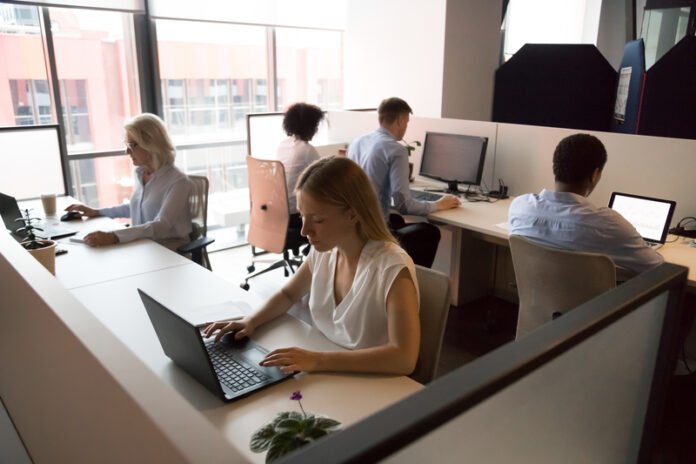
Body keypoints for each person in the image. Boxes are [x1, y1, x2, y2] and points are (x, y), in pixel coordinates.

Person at [204, 156, 421, 376]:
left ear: (353, 214)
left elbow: (403, 358)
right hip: (329, 369)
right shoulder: (324, 252)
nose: (304, 231)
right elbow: (289, 294)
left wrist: (318, 360)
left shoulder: (392, 269)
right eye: (303, 217)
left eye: (317, 219)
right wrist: (250, 320)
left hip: (371, 382)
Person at [508, 133, 663, 278]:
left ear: (555, 167)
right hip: (595, 307)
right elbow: (658, 267)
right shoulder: (608, 224)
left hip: (536, 302)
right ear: (595, 174)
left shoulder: (520, 207)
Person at [347, 97, 459, 268]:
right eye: (406, 122)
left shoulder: (358, 141)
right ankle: (412, 284)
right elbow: (404, 205)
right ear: (399, 120)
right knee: (430, 231)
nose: (406, 127)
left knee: (397, 219)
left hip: (354, 227)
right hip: (375, 231)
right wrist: (438, 204)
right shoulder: (396, 149)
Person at [65, 113, 192, 249]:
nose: (127, 151)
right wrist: (97, 212)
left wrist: (115, 236)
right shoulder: (141, 173)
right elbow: (135, 207)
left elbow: (162, 225)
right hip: (143, 245)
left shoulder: (178, 182)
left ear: (151, 144)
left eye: (132, 145)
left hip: (170, 250)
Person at [277, 102, 324, 218]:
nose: (316, 129)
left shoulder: (282, 145)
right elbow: (324, 176)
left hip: (282, 208)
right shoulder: (307, 150)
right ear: (309, 127)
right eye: (315, 126)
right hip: (296, 212)